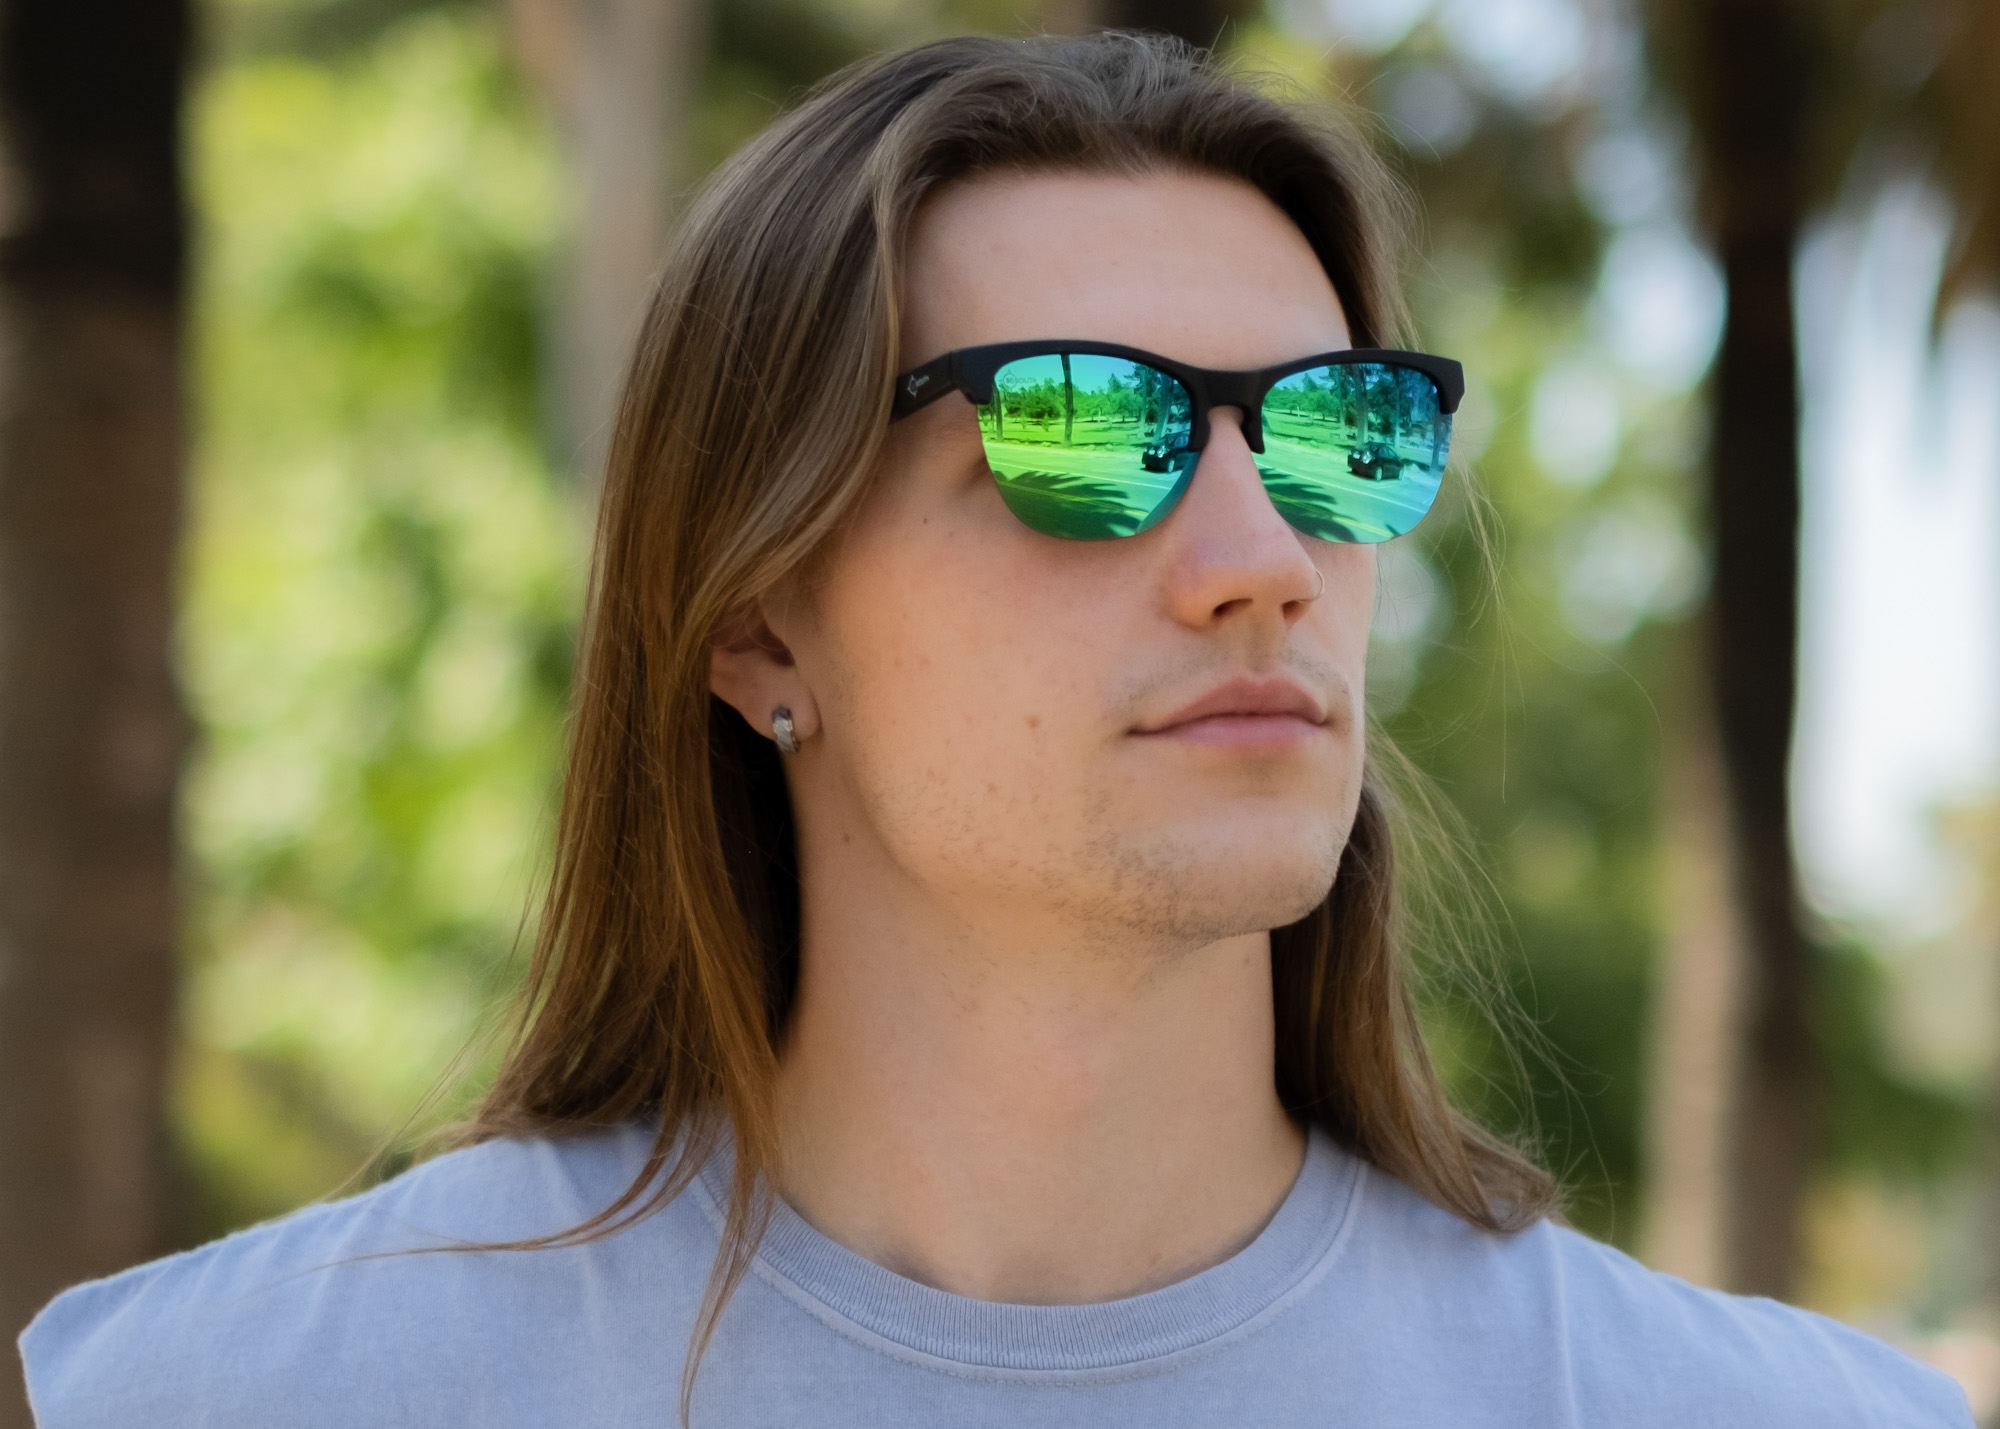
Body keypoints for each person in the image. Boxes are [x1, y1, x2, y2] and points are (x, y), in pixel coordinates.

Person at [18, 32, 1970, 1429]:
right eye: (1078, 432)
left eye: (1335, 434)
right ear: (752, 617)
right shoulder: (210, 1396)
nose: (1261, 563)